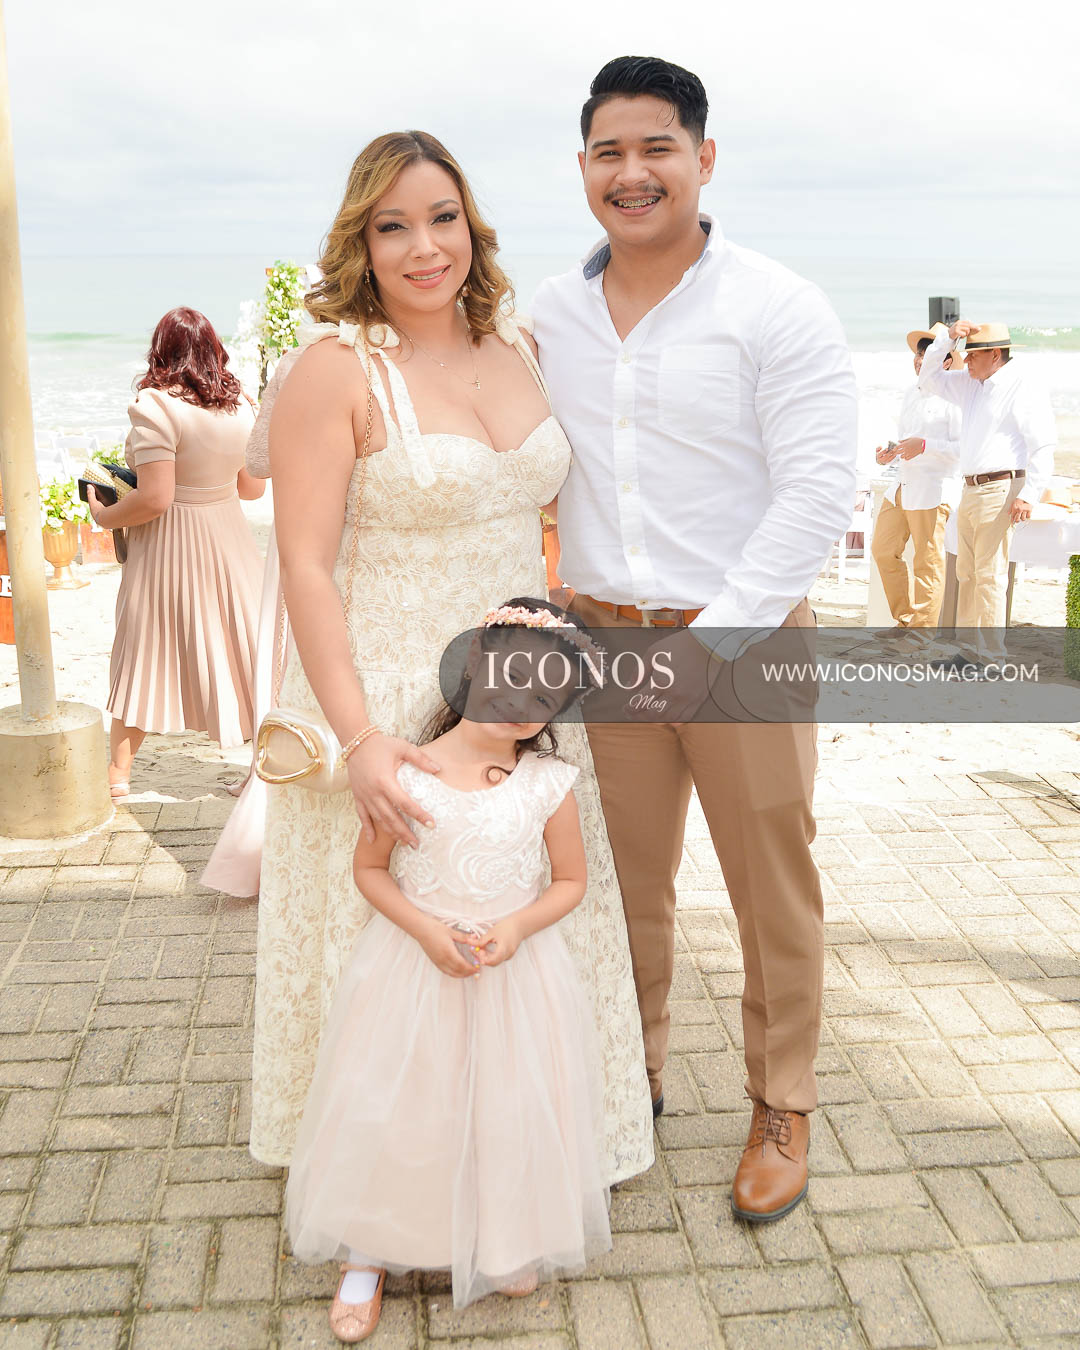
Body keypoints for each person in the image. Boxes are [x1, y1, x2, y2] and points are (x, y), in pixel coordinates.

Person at [252, 132, 653, 1194]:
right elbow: (304, 567)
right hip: (385, 690)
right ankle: (389, 1187)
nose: (424, 248)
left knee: (522, 903)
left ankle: (523, 1156)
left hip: (520, 691)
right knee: (389, 933)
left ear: (472, 227)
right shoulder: (335, 371)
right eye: (394, 227)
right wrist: (361, 740)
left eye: (443, 219)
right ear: (361, 243)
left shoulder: (520, 342)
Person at [532, 56, 857, 1222]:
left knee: (772, 884)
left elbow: (816, 495)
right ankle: (635, 1078)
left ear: (702, 159)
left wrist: (708, 644)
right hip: (603, 646)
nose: (633, 172)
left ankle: (782, 1103)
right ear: (583, 168)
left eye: (656, 147)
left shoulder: (776, 305)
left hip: (744, 645)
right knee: (617, 887)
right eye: (609, 152)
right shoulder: (545, 317)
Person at [286, 599, 612, 1339]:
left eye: (546, 695)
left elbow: (570, 881)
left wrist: (518, 926)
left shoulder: (548, 782)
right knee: (399, 1105)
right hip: (413, 973)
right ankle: (368, 1251)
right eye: (514, 677)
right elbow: (370, 871)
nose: (524, 701)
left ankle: (504, 1236)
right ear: (476, 663)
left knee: (507, 1105)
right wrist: (427, 930)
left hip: (514, 979)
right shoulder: (407, 771)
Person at [87, 307, 264, 796]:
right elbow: (252, 489)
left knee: (144, 650)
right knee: (242, 651)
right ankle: (260, 772)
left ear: (161, 351)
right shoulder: (241, 406)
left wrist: (103, 516)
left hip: (167, 547)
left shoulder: (155, 406)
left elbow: (156, 499)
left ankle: (118, 776)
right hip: (229, 541)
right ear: (214, 350)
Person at [919, 319, 1057, 664]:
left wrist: (1030, 493)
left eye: (973, 355)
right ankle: (970, 652)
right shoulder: (971, 384)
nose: (965, 360)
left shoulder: (1022, 386)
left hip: (1001, 487)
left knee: (990, 575)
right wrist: (947, 337)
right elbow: (928, 378)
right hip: (970, 488)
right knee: (967, 573)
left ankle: (992, 657)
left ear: (995, 354)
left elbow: (1042, 444)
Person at [870, 324, 961, 631]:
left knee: (927, 563)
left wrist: (925, 446)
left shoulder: (955, 398)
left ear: (946, 361)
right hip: (901, 484)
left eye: (928, 353)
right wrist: (889, 453)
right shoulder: (910, 393)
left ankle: (921, 636)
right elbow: (906, 442)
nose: (921, 359)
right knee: (883, 551)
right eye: (919, 353)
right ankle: (906, 621)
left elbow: (963, 449)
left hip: (933, 489)